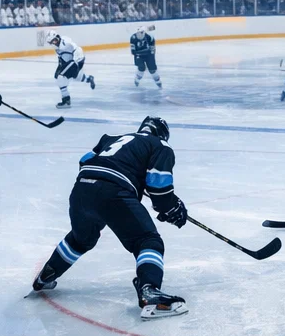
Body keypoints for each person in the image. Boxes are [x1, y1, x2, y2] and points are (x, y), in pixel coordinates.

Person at [30, 117, 189, 319]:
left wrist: (130, 179)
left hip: (81, 189)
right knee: (147, 240)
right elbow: (159, 189)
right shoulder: (160, 145)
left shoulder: (112, 138)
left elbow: (85, 161)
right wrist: (172, 208)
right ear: (163, 134)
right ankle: (150, 291)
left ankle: (46, 275)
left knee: (81, 239)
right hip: (113, 192)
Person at [50, 30, 96, 108]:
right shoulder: (57, 48)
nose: (55, 42)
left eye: (55, 40)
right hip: (73, 61)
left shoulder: (66, 42)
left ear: (57, 37)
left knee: (61, 78)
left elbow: (76, 49)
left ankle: (66, 101)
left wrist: (76, 62)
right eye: (53, 42)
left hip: (77, 59)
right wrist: (60, 67)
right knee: (75, 76)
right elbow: (62, 58)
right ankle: (88, 79)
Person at [130, 25, 161, 90]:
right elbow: (133, 52)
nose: (139, 34)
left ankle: (158, 82)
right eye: (138, 33)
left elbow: (152, 50)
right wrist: (144, 52)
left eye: (141, 33)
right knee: (141, 68)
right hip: (139, 55)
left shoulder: (150, 37)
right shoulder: (133, 38)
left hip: (148, 55)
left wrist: (150, 56)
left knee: (152, 70)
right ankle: (137, 80)